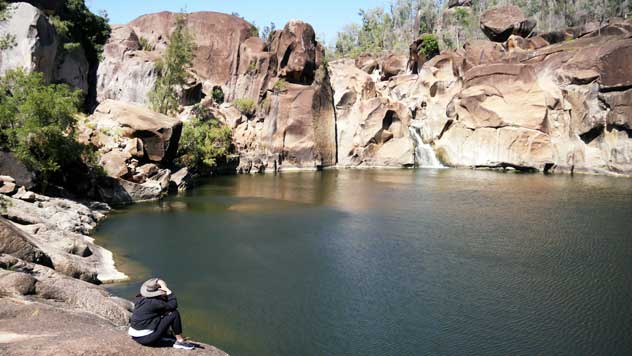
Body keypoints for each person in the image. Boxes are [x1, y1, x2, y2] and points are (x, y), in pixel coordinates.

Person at [128, 278, 196, 350]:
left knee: (164, 313)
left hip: (135, 336)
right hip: (146, 338)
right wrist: (168, 291)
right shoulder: (155, 302)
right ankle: (180, 341)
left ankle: (166, 335)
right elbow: (173, 305)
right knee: (174, 313)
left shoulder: (141, 299)